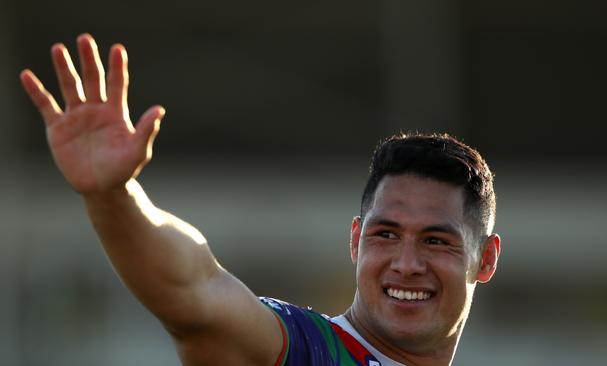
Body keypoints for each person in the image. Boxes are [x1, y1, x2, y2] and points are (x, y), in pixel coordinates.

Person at [20, 33, 501, 366]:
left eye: (436, 241)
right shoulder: (301, 350)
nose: (406, 263)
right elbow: (195, 293)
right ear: (355, 241)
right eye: (386, 234)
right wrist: (113, 196)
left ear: (485, 259)